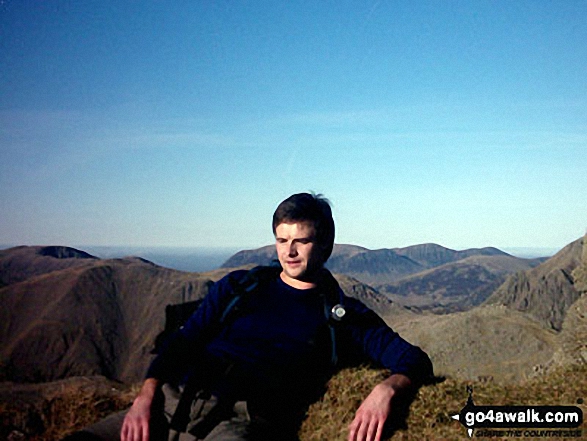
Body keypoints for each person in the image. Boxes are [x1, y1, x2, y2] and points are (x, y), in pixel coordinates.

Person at [71, 193, 432, 441]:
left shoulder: (343, 315)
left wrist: (387, 389)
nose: (288, 251)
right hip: (171, 401)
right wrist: (145, 397)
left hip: (239, 423)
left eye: (300, 241)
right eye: (281, 240)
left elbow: (413, 360)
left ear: (325, 243)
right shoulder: (239, 286)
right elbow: (183, 342)